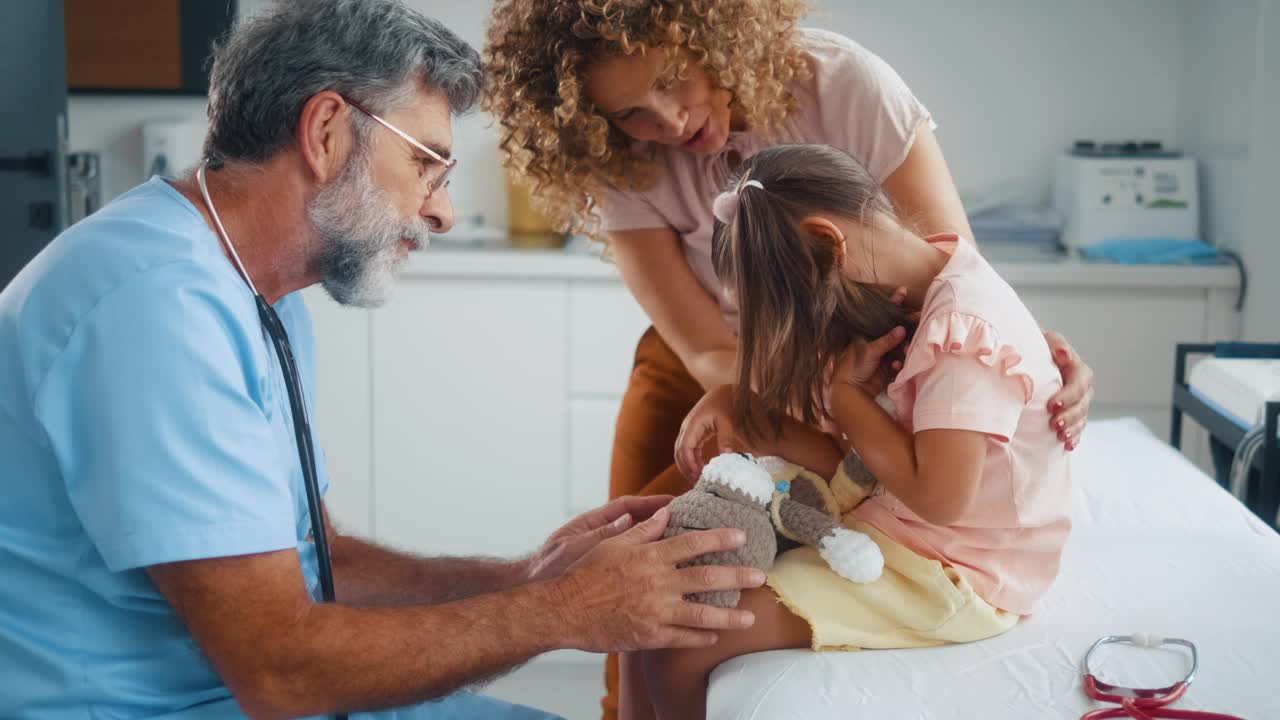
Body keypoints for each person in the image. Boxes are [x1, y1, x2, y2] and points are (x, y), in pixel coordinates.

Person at [0, 2, 766, 718]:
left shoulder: (253, 289)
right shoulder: (155, 308)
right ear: (327, 131)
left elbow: (319, 561)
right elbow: (279, 670)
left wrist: (536, 576)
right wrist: (564, 612)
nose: (441, 210)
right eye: (428, 163)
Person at [482, 1, 1095, 716]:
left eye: (675, 79)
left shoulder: (845, 90)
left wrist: (1028, 361)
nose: (670, 122)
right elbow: (712, 347)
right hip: (717, 360)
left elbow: (941, 277)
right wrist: (751, 396)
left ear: (712, 35)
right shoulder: (618, 162)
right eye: (631, 116)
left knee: (676, 616)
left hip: (858, 354)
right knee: (633, 570)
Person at [632, 143, 1074, 719]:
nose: (812, 323)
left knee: (677, 640)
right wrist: (739, 408)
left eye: (799, 304)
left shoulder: (963, 329)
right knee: (644, 588)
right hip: (896, 528)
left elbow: (940, 498)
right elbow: (855, 462)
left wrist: (845, 397)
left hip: (957, 575)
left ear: (828, 244)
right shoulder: (918, 293)